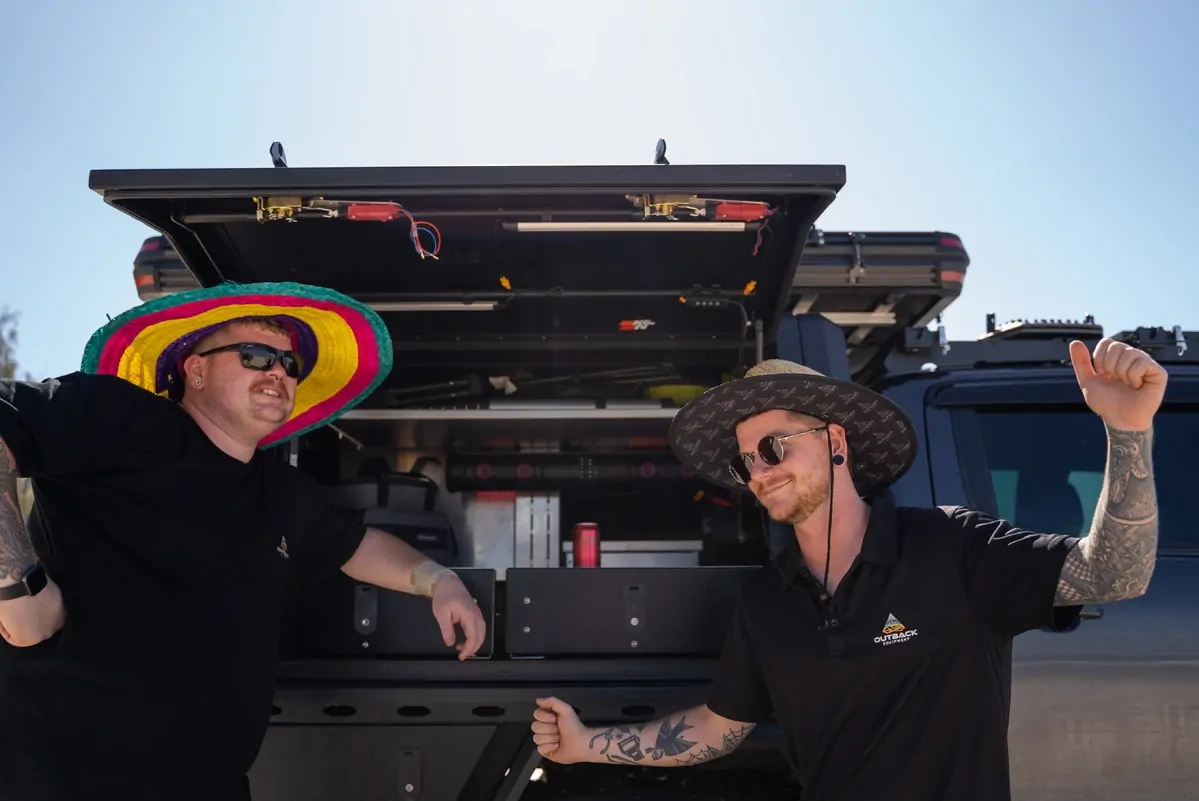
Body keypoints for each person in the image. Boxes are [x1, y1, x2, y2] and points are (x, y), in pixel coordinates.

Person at [531, 338, 1166, 801]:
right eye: (746, 462)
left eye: (773, 447)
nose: (759, 472)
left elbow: (1114, 573)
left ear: (835, 443)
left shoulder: (950, 546)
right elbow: (718, 727)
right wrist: (585, 745)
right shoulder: (768, 600)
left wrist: (1128, 431)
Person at [0, 282, 487, 801]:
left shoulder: (284, 492)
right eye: (255, 355)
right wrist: (17, 585)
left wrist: (438, 580)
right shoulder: (122, 417)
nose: (278, 372)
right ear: (196, 370)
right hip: (60, 780)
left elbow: (356, 546)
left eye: (289, 364)